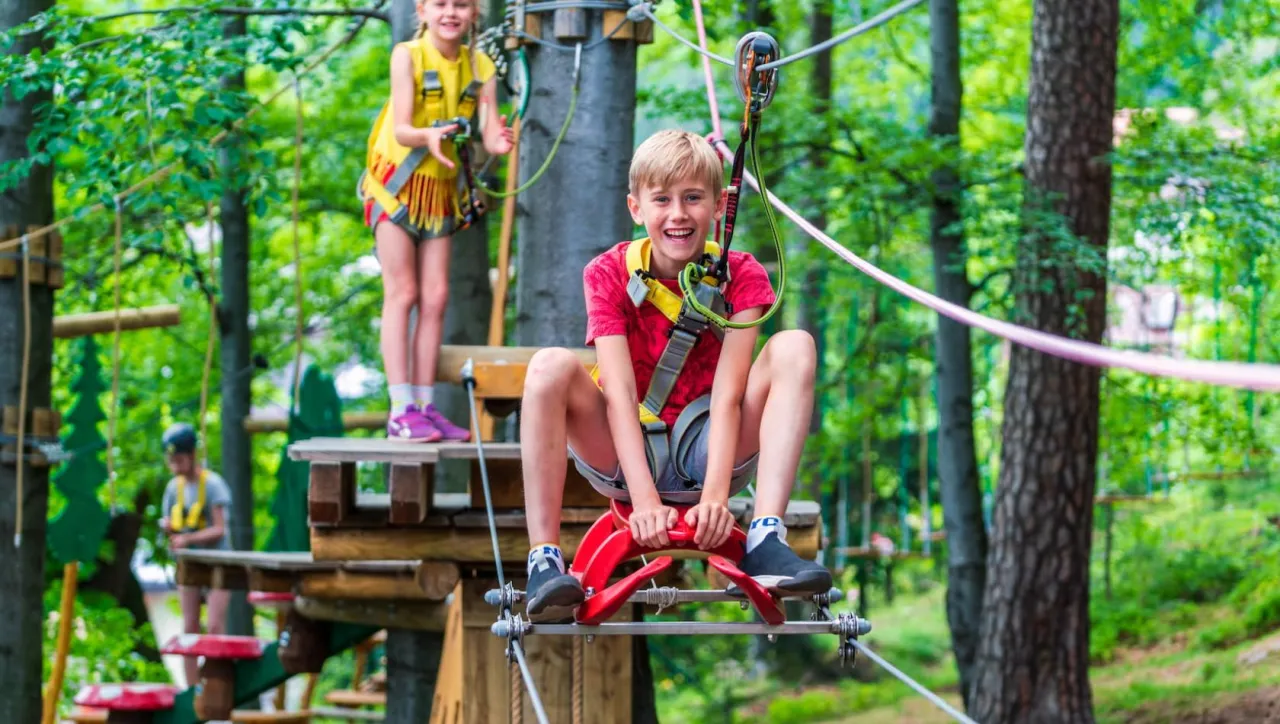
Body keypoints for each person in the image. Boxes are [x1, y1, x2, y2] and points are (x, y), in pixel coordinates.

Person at [518, 129, 832, 620]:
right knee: (548, 367)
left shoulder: (743, 275)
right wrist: (644, 501)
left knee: (795, 345)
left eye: (692, 198)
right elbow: (619, 393)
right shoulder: (608, 273)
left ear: (719, 205)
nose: (678, 214)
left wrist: (715, 500)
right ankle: (544, 559)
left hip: (712, 447)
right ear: (636, 207)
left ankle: (767, 535)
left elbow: (729, 395)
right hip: (625, 452)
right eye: (661, 199)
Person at [360, 0, 514, 442]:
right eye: (441, 4)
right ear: (423, 10)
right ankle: (400, 406)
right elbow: (404, 127)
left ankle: (425, 406)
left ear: (473, 13)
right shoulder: (407, 55)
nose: (451, 13)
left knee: (436, 297)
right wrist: (428, 136)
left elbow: (486, 130)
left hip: (439, 197)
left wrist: (497, 142)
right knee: (403, 291)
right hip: (396, 189)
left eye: (461, 5)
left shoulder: (479, 64)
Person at [158, 423, 233, 687]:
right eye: (171, 460)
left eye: (179, 458)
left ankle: (216, 685)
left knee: (213, 626)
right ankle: (192, 690)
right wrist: (170, 530)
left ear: (191, 456)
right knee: (189, 626)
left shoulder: (213, 485)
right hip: (189, 565)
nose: (175, 464)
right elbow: (171, 525)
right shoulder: (172, 489)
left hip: (218, 564)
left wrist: (187, 538)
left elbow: (220, 529)